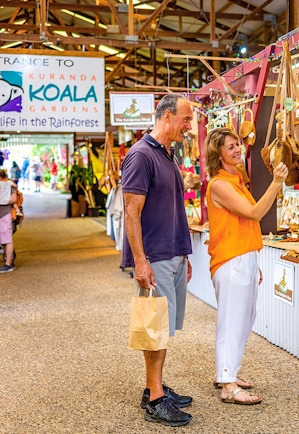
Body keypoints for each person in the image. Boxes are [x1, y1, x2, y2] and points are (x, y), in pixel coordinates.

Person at [121, 93, 195, 427]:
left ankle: (156, 385)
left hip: (172, 253)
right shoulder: (140, 155)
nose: (189, 126)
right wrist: (140, 261)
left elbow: (171, 208)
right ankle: (155, 398)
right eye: (186, 119)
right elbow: (131, 212)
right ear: (166, 116)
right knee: (154, 329)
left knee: (163, 328)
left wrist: (184, 253)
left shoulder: (166, 154)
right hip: (155, 256)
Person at [205, 128, 288, 405]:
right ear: (218, 155)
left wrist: (253, 260)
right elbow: (254, 213)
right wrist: (276, 182)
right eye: (230, 147)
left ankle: (228, 372)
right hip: (231, 260)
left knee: (244, 318)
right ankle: (227, 384)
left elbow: (245, 223)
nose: (237, 149)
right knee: (231, 321)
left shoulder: (236, 179)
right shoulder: (219, 184)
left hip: (244, 258)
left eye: (237, 144)